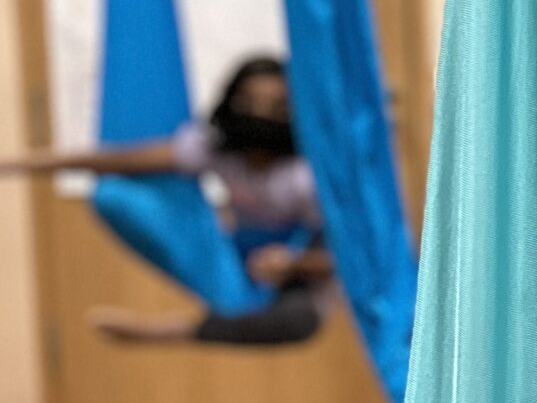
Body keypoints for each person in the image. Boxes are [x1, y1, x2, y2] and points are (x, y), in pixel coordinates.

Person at [0, 53, 334, 347]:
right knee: (114, 196)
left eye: (276, 107)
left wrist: (292, 263)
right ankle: (221, 304)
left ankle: (167, 332)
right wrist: (23, 164)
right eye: (249, 103)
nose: (260, 115)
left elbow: (345, 259)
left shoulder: (306, 178)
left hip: (297, 268)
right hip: (232, 257)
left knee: (298, 320)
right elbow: (123, 160)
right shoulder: (218, 149)